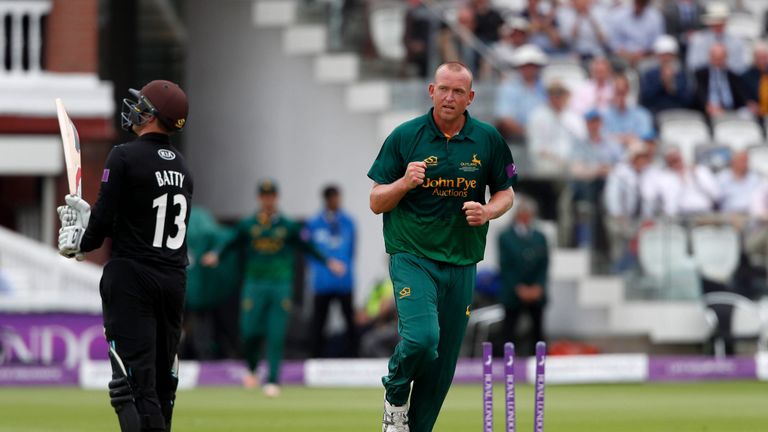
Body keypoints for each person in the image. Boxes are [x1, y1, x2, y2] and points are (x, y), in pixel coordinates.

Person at [368, 62, 516, 432]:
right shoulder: (405, 136)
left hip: (462, 260)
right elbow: (376, 200)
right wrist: (403, 183)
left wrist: (487, 211)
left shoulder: (488, 139)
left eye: (458, 91)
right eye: (444, 89)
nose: (450, 97)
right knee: (422, 340)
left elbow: (506, 192)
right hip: (412, 256)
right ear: (431, 91)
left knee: (441, 367)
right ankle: (395, 395)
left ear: (471, 97)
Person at [57, 80, 192, 432]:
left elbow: (102, 225)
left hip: (132, 278)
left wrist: (79, 241)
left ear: (153, 115)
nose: (135, 109)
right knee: (164, 386)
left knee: (131, 385)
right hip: (173, 279)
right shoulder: (182, 168)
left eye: (142, 104)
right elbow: (138, 221)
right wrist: (94, 225)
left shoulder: (124, 155)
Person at [200, 180, 345, 397]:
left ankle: (273, 379)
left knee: (276, 332)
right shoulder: (249, 224)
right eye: (264, 196)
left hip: (280, 283)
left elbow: (308, 246)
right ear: (260, 198)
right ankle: (251, 368)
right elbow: (231, 241)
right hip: (254, 283)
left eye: (271, 196)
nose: (268, 200)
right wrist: (216, 254)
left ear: (276, 198)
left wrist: (329, 262)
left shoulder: (287, 225)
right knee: (249, 331)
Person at [306, 185, 358, 358]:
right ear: (328, 200)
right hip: (323, 283)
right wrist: (327, 266)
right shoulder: (314, 224)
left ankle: (354, 357)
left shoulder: (349, 222)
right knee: (319, 322)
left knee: (349, 322)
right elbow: (310, 252)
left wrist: (343, 267)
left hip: (344, 282)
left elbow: (352, 250)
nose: (338, 201)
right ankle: (314, 359)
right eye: (335, 198)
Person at [498, 196, 549, 356]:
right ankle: (507, 363)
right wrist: (518, 288)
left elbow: (544, 264)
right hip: (514, 292)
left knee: (538, 330)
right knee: (509, 330)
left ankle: (539, 363)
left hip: (536, 291)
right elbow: (506, 266)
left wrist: (538, 286)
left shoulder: (540, 236)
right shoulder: (506, 236)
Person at [493, 44, 548, 142]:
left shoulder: (546, 85)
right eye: (525, 66)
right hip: (519, 137)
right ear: (519, 67)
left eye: (533, 65)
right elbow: (505, 118)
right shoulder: (508, 87)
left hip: (545, 135)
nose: (529, 69)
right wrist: (528, 133)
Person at [686, 2, 747, 74]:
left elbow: (741, 67)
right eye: (715, 21)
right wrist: (711, 62)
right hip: (705, 79)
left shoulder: (736, 41)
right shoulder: (698, 40)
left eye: (721, 21)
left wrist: (725, 64)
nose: (718, 24)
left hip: (730, 80)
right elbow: (692, 65)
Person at [639, 35, 694, 115]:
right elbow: (645, 99)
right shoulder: (649, 75)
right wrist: (662, 81)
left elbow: (688, 100)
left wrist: (672, 86)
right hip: (656, 112)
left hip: (679, 112)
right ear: (657, 56)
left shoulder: (681, 74)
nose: (666, 59)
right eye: (663, 55)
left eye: (669, 55)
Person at [694, 43, 750, 120]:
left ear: (726, 58)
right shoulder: (701, 74)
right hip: (709, 111)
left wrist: (748, 103)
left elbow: (741, 95)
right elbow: (699, 92)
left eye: (720, 58)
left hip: (732, 111)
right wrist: (707, 105)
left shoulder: (732, 75)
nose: (718, 62)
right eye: (715, 58)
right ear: (710, 57)